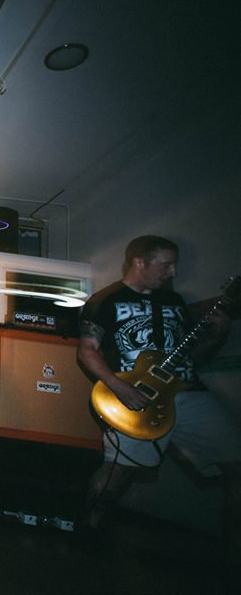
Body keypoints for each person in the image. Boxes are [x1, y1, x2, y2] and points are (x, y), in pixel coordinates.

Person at [76, 235, 240, 570]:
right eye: (165, 265)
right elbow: (86, 351)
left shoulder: (174, 302)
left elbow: (194, 359)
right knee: (118, 473)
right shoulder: (106, 300)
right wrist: (119, 387)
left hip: (189, 392)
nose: (172, 272)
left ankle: (233, 553)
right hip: (136, 395)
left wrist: (218, 335)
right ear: (140, 262)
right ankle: (89, 527)